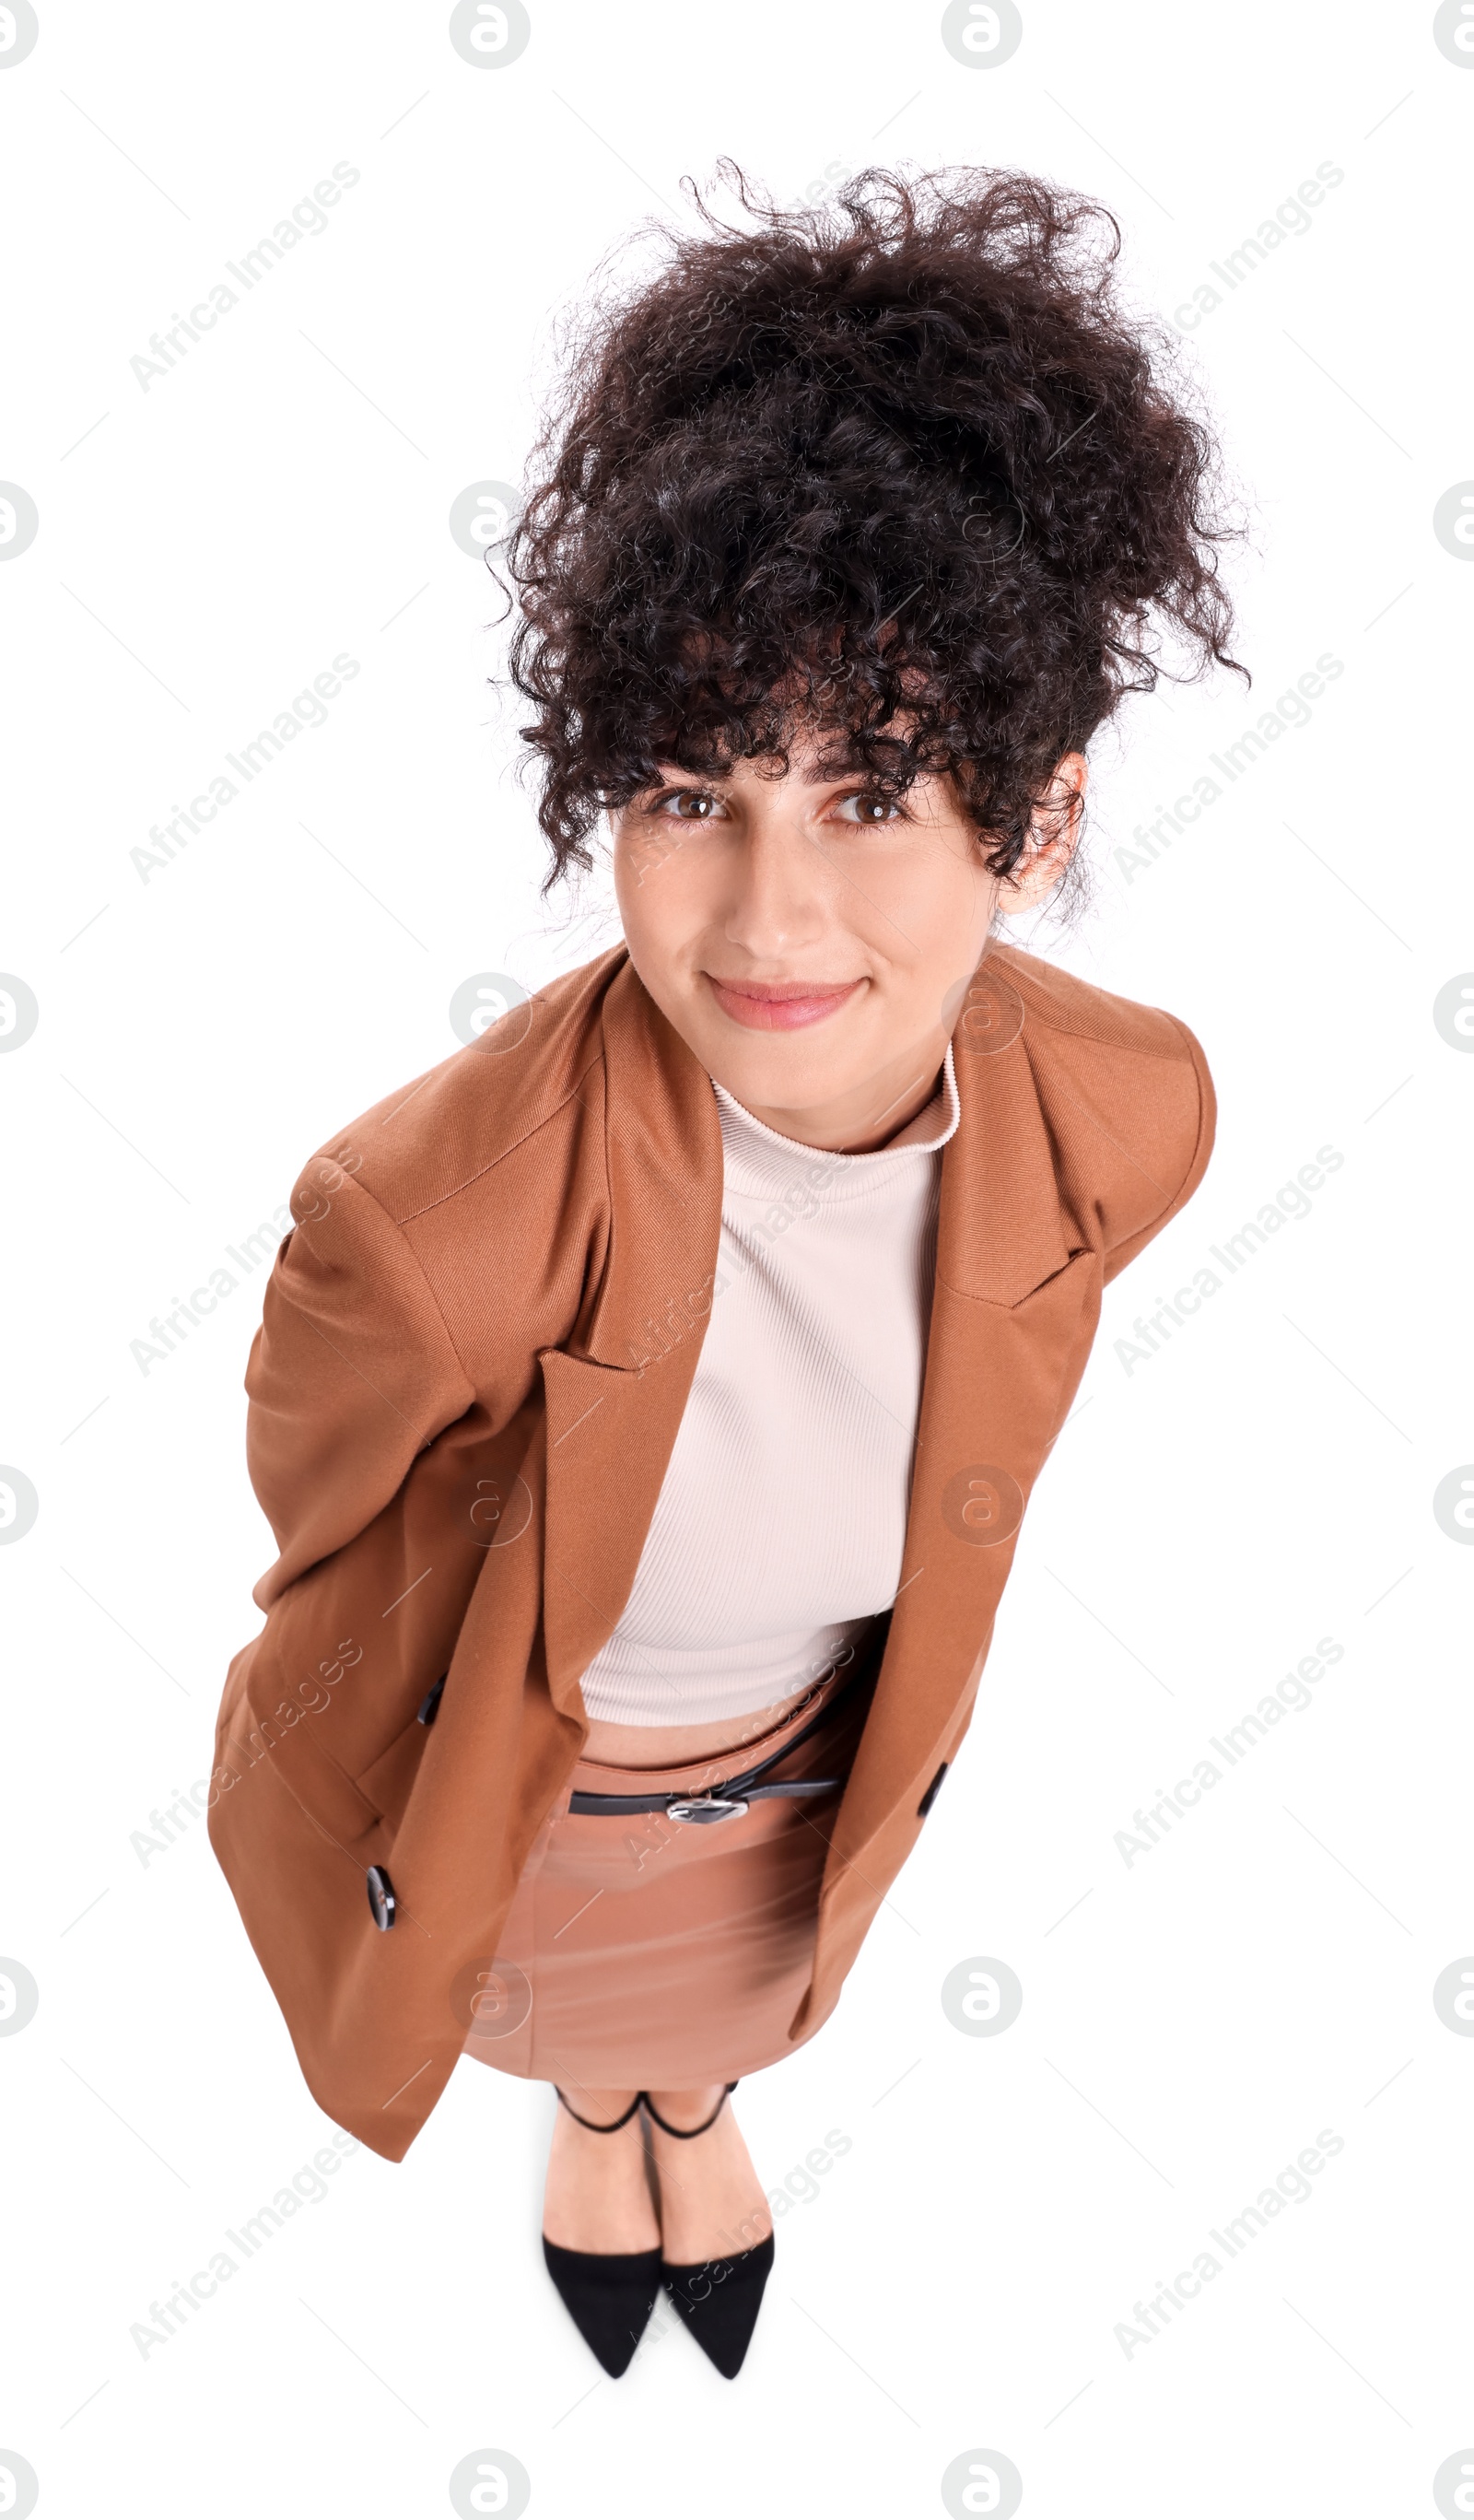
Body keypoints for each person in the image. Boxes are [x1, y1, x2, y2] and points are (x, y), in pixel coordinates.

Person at [208, 164, 1237, 2382]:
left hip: (820, 1774)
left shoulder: (1127, 1119)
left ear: (1033, 820)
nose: (767, 926)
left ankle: (698, 2091)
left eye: (869, 797)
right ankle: (607, 2100)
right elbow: (332, 1544)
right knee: (584, 2015)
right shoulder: (419, 1231)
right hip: (541, 1792)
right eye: (694, 790)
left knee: (737, 2004)